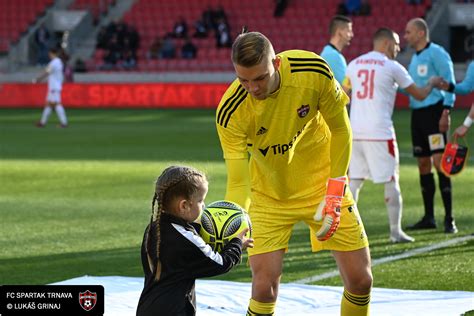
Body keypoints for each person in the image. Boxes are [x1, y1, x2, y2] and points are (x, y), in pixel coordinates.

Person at [216, 31, 372, 316]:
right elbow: (238, 180)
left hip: (324, 187)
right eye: (243, 79)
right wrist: (235, 218)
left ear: (275, 63)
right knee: (264, 288)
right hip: (268, 197)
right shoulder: (231, 111)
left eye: (259, 77)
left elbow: (341, 128)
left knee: (361, 281)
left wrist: (335, 192)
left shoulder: (312, 71)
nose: (252, 87)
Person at [343, 28, 441, 243]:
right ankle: (395, 232)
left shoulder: (354, 64)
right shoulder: (392, 66)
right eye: (396, 44)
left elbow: (344, 94)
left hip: (356, 131)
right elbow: (420, 94)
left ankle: (346, 232)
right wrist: (432, 83)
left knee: (354, 182)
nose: (398, 48)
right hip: (380, 133)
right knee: (391, 181)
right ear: (387, 43)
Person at [136, 165, 253, 316]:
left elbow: (187, 237)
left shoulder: (154, 228)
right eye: (200, 201)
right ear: (184, 205)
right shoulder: (185, 239)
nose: (204, 205)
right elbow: (219, 263)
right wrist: (236, 244)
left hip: (147, 307)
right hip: (173, 311)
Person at [403, 18, 457, 233]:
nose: (405, 36)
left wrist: (446, 112)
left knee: (439, 162)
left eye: (408, 32)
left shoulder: (437, 53)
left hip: (435, 114)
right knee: (423, 164)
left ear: (420, 33)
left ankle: (449, 218)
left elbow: (450, 82)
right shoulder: (414, 59)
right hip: (418, 116)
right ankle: (429, 217)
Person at [33, 47, 68, 128]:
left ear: (52, 53)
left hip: (54, 87)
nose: (49, 55)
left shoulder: (54, 62)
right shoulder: (59, 62)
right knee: (49, 105)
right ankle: (42, 122)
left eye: (50, 54)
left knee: (56, 104)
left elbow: (47, 72)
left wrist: (38, 79)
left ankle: (64, 123)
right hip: (55, 86)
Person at [320, 15, 354, 84]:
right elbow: (345, 88)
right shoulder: (333, 56)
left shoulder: (328, 52)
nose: (351, 35)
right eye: (349, 31)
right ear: (339, 32)